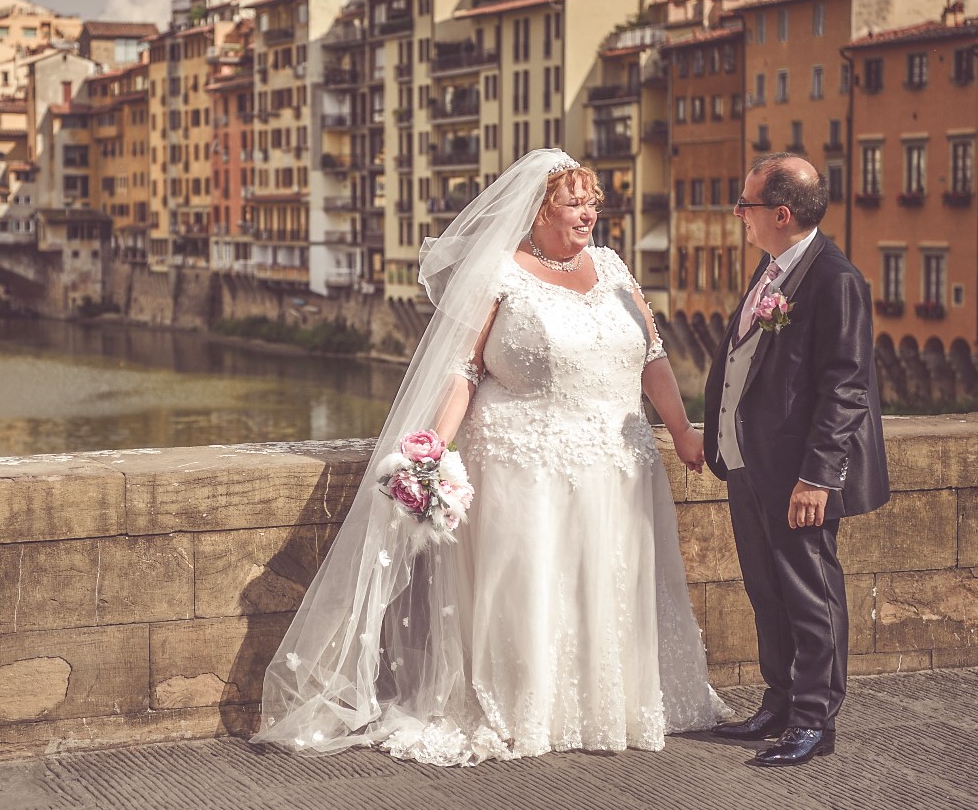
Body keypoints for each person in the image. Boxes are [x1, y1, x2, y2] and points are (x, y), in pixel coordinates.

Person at [252, 148, 726, 765]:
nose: (589, 214)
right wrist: (433, 450)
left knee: (611, 579)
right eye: (574, 202)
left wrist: (684, 431)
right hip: (523, 460)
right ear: (538, 210)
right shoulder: (502, 273)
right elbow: (462, 371)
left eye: (593, 202)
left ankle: (603, 707)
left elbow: (653, 358)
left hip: (618, 459)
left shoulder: (612, 268)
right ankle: (529, 710)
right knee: (532, 583)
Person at [704, 153, 889, 767]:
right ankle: (779, 702)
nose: (739, 215)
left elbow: (846, 386)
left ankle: (814, 719)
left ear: (781, 214)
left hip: (797, 474)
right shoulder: (774, 266)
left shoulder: (835, 279)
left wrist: (816, 476)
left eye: (746, 205)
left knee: (811, 595)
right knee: (766, 590)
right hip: (749, 462)